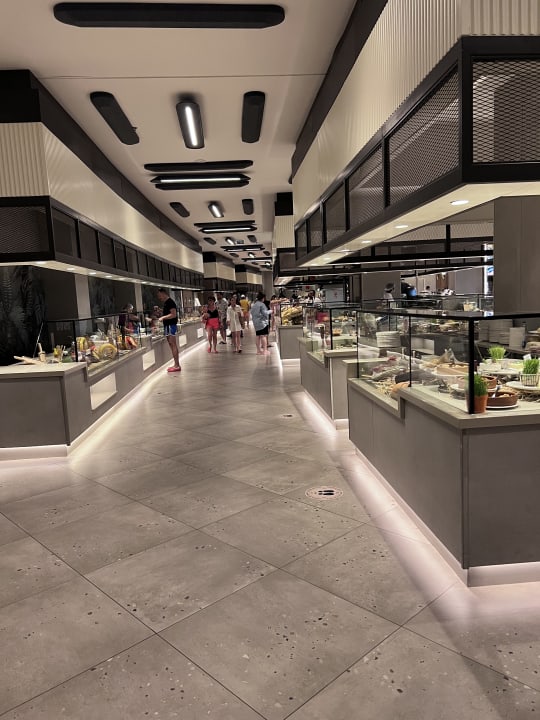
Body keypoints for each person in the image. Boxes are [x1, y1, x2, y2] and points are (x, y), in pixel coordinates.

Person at [156, 288, 181, 372]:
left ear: (163, 293)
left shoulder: (170, 302)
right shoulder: (166, 303)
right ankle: (176, 364)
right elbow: (169, 313)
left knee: (173, 344)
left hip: (170, 325)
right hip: (167, 326)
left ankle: (177, 365)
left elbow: (173, 314)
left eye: (159, 295)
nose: (159, 298)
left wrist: (163, 317)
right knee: (171, 344)